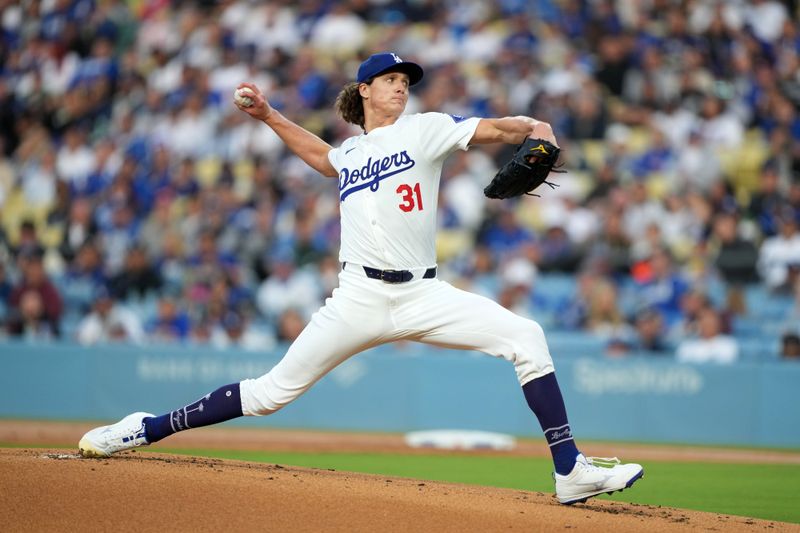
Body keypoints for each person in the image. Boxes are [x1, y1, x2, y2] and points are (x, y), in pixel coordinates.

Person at [78, 52, 643, 505]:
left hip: (423, 293)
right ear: (365, 91)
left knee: (527, 338)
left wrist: (536, 126)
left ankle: (570, 469)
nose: (401, 87)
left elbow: (499, 127)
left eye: (405, 80)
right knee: (270, 395)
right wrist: (270, 116)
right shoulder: (351, 153)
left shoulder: (426, 129)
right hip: (358, 297)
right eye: (389, 79)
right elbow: (324, 159)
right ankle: (145, 427)